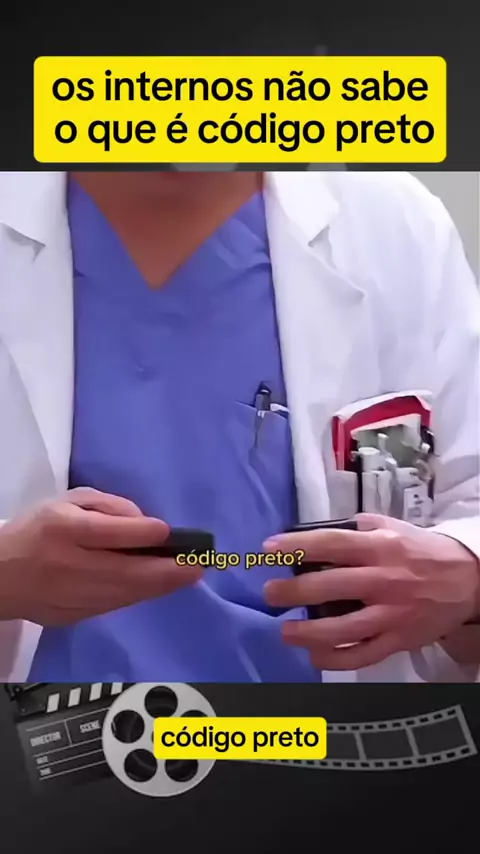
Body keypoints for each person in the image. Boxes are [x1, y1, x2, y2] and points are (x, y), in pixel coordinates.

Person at [0, 169, 478, 684]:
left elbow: (469, 502)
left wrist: (466, 573)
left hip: (329, 723)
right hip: (65, 726)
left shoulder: (393, 226)